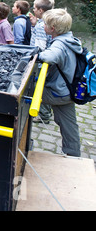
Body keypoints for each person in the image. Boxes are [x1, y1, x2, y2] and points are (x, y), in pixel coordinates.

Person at [38, 9, 82, 157]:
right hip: (69, 90)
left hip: (57, 92)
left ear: (53, 29)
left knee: (24, 91)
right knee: (69, 125)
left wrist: (37, 55)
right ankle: (73, 154)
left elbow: (49, 57)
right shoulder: (72, 39)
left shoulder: (59, 44)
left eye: (45, 24)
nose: (43, 26)